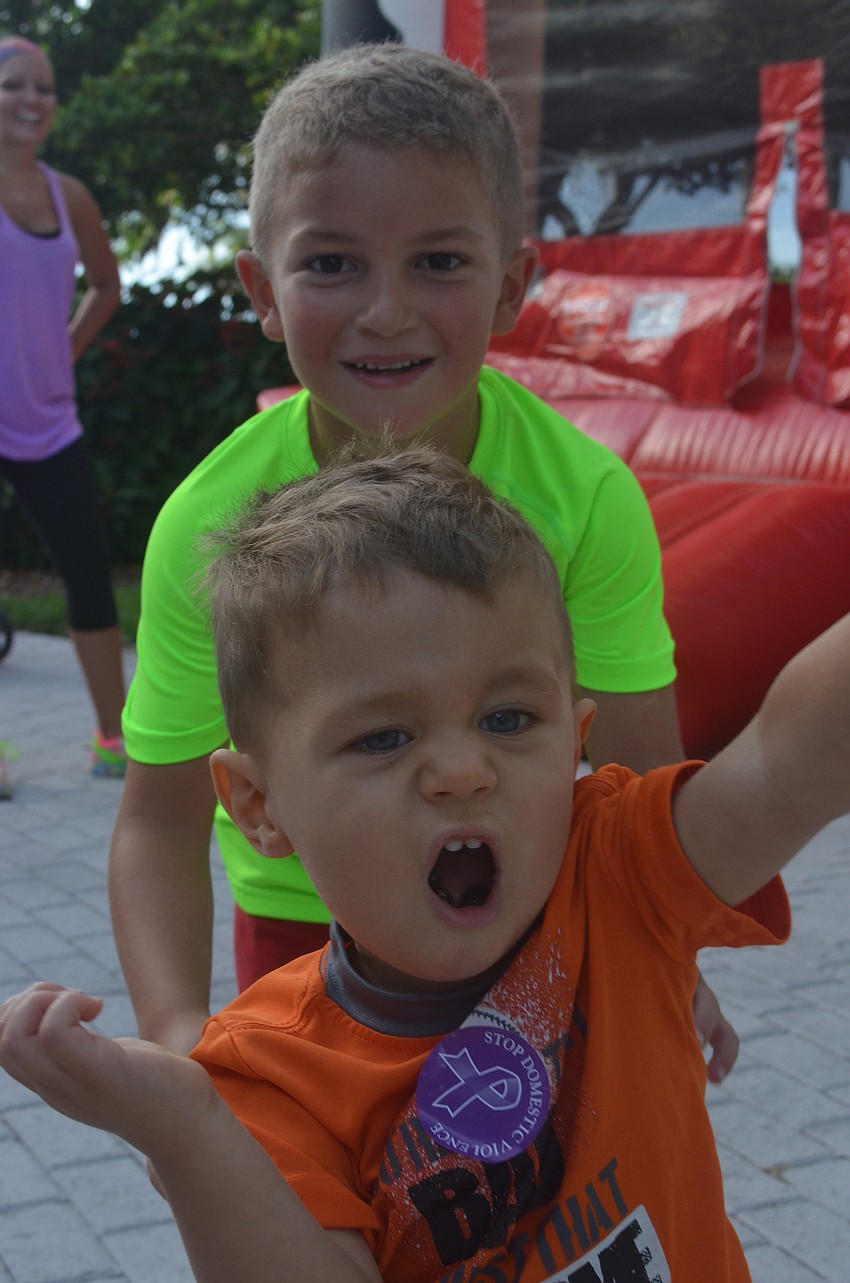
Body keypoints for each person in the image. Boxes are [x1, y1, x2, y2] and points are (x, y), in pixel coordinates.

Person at [1, 445, 847, 1283]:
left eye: (510, 719)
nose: (463, 770)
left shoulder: (619, 874)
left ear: (576, 743)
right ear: (259, 806)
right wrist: (186, 1132)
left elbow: (787, 760)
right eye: (384, 736)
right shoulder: (264, 1075)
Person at [109, 41, 736, 1076]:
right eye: (331, 262)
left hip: (522, 922)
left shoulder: (584, 499)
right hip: (300, 940)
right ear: (262, 291)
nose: (385, 309)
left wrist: (670, 956)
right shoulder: (205, 525)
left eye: (438, 261)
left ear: (510, 286)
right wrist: (177, 1045)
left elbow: (639, 786)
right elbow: (160, 822)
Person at [0, 35, 126, 778]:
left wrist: (64, 349)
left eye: (43, 87)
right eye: (14, 85)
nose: (31, 100)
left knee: (86, 572)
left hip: (48, 420)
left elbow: (107, 286)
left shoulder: (66, 194)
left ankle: (113, 740)